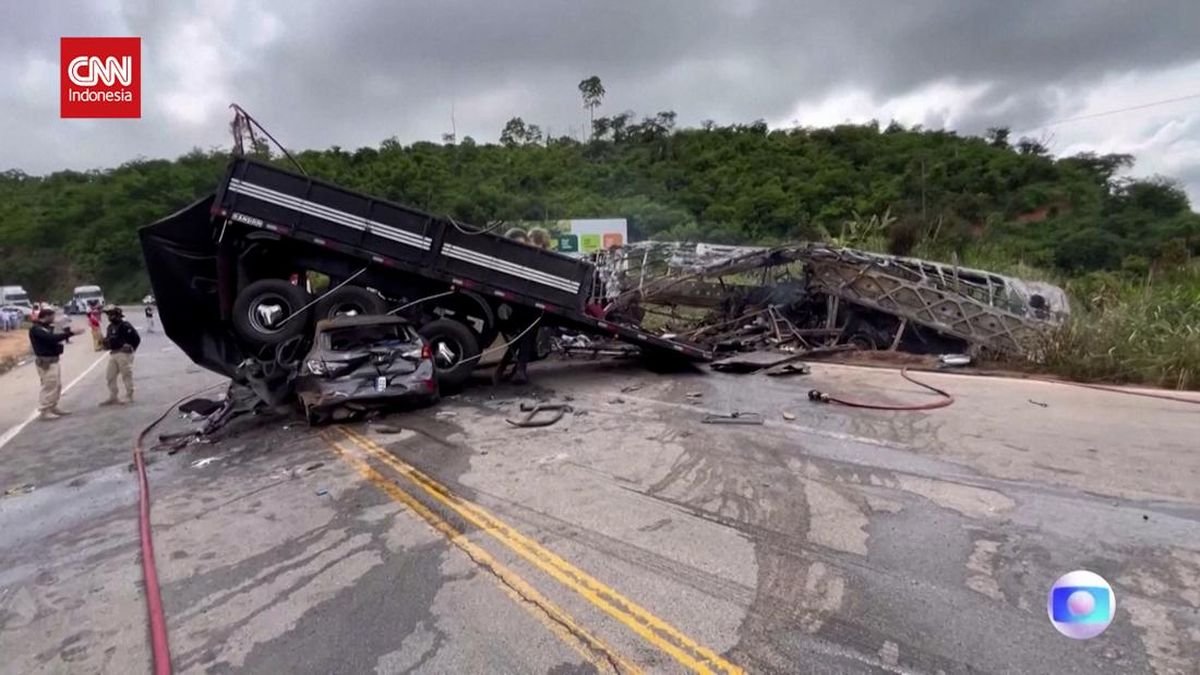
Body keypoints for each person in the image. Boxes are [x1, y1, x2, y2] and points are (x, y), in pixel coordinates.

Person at [28, 308, 79, 420]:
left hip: (54, 360)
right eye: (52, 316)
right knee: (49, 385)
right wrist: (70, 333)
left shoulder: (47, 328)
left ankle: (53, 406)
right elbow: (51, 339)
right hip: (46, 362)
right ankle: (45, 410)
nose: (53, 319)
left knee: (57, 385)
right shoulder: (36, 329)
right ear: (46, 316)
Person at [100, 305, 140, 405]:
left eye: (111, 314)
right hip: (113, 353)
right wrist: (105, 343)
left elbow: (136, 338)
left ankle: (129, 395)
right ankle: (113, 396)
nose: (109, 317)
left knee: (126, 375)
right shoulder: (110, 327)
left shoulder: (125, 325)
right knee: (110, 376)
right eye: (108, 315)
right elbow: (109, 339)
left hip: (123, 353)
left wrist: (131, 348)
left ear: (117, 314)